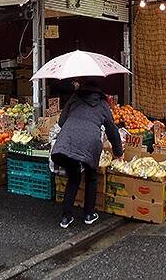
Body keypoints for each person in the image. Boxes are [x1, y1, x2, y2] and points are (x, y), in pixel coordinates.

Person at [51, 78, 123, 229]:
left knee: (74, 177)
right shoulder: (102, 104)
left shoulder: (75, 98)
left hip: (66, 142)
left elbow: (61, 122)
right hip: (90, 144)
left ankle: (65, 218)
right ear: (99, 90)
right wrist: (118, 152)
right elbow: (112, 130)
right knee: (91, 177)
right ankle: (89, 215)